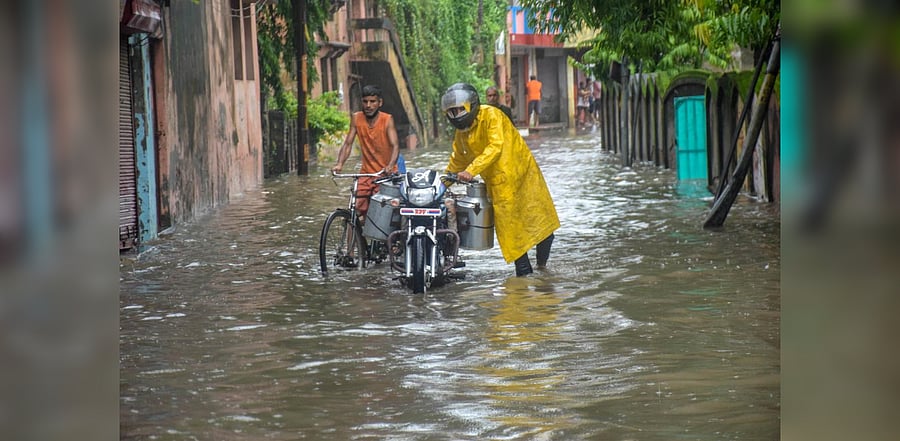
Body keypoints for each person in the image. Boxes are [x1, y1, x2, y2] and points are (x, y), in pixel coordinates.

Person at [440, 83, 559, 276]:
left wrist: (471, 170)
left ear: (471, 105)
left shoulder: (492, 116)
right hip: (499, 186)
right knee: (511, 233)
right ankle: (525, 276)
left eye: (460, 109)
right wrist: (439, 186)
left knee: (543, 227)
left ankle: (542, 269)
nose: (456, 114)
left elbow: (495, 146)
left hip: (523, 175)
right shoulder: (461, 134)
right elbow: (457, 161)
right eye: (452, 111)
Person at [332, 85, 399, 222]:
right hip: (366, 174)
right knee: (353, 213)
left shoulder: (387, 119)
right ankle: (349, 243)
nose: (368, 105)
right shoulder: (356, 118)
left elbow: (395, 145)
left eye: (372, 101)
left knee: (383, 214)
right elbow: (348, 143)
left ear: (380, 103)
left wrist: (390, 165)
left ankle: (388, 243)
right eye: (365, 101)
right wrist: (339, 164)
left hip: (385, 175)